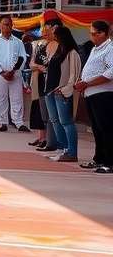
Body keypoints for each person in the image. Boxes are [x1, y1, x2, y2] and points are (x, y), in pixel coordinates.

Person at [76, 20, 113, 173]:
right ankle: (99, 159)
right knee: (96, 129)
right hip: (91, 93)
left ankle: (110, 162)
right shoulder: (95, 49)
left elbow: (110, 73)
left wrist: (88, 83)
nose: (91, 36)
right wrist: (82, 81)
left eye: (93, 33)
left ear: (103, 33)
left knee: (106, 128)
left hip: (103, 94)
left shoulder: (109, 49)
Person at [42, 26, 81, 162]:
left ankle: (71, 152)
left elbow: (74, 75)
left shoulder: (72, 52)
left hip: (61, 92)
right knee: (55, 121)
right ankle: (63, 149)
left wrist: (65, 90)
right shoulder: (59, 50)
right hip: (51, 91)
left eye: (55, 34)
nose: (53, 36)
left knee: (66, 122)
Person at [0, 15, 30, 132]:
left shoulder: (18, 42)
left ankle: (18, 122)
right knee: (1, 98)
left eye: (9, 24)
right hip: (0, 74)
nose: (7, 26)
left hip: (15, 74)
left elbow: (23, 57)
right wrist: (2, 72)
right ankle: (3, 122)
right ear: (0, 25)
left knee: (17, 98)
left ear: (12, 25)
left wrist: (14, 71)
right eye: (4, 24)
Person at [28, 20, 60, 151]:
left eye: (48, 31)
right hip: (41, 82)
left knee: (54, 115)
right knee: (44, 114)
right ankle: (46, 139)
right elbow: (32, 64)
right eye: (44, 31)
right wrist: (39, 67)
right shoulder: (41, 46)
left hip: (54, 84)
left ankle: (53, 141)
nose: (45, 33)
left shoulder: (60, 46)